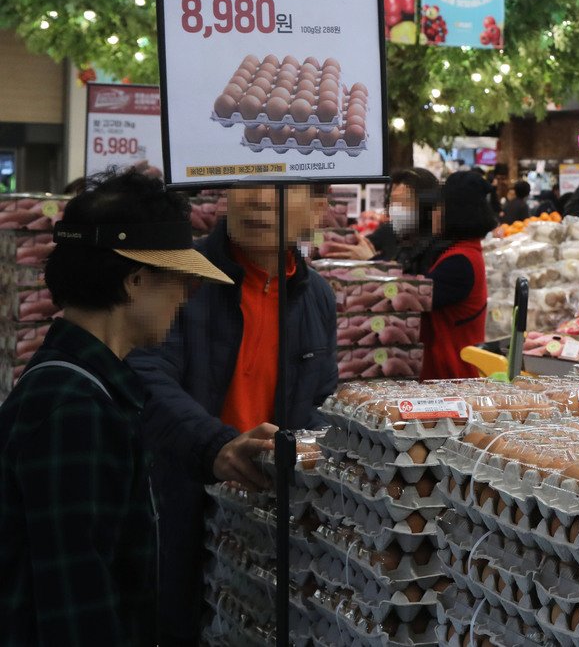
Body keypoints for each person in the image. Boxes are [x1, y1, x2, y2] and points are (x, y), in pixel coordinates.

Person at [0, 169, 232, 646]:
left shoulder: (89, 388)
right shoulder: (74, 410)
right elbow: (76, 602)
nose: (184, 301)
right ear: (136, 281)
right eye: (180, 284)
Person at [127, 184, 337, 646]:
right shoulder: (179, 278)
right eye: (246, 180)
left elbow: (321, 403)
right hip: (176, 513)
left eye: (279, 187)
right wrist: (214, 445)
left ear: (317, 210)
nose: (258, 199)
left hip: (267, 528)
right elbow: (143, 374)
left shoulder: (317, 297)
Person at [420, 171, 499, 379]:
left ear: (453, 211)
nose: (434, 214)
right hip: (450, 376)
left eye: (438, 207)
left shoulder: (459, 262)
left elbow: (414, 297)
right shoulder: (464, 253)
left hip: (451, 378)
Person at [318, 167, 440, 266]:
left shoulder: (433, 248)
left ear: (427, 204)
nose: (396, 208)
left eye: (405, 201)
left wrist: (371, 261)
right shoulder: (388, 232)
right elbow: (355, 246)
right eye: (393, 201)